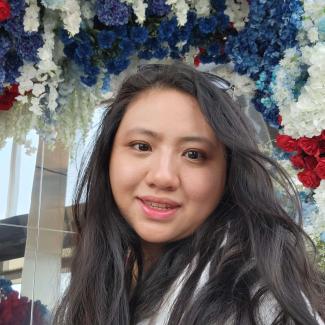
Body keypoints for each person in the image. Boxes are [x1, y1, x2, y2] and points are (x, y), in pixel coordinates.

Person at [53, 63, 325, 325]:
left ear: (227, 175)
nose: (163, 176)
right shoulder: (108, 284)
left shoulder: (257, 303)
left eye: (193, 154)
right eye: (142, 146)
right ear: (108, 157)